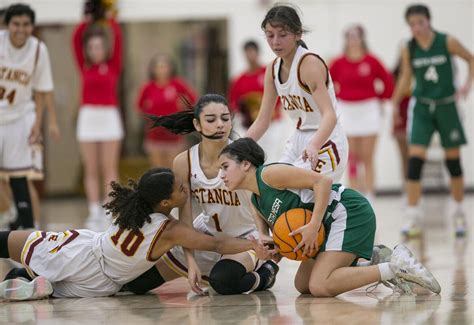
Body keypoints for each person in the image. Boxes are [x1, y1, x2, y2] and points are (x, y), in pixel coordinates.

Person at [0, 167, 270, 300]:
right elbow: (217, 242)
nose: (185, 189)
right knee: (40, 282)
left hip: (82, 248)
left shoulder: (137, 203)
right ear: (164, 203)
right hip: (98, 279)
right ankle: (28, 280)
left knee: (7, 240)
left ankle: (27, 277)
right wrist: (253, 244)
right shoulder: (170, 230)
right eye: (180, 188)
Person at [218, 138, 441, 297]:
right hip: (325, 227)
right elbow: (282, 240)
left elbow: (322, 182)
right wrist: (271, 253)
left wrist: (314, 225)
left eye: (225, 167)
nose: (221, 175)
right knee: (303, 285)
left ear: (246, 164)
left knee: (320, 286)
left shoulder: (268, 174)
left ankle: (394, 267)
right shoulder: (254, 201)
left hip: (346, 211)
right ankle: (371, 259)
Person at [123, 94, 279, 296]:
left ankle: (266, 272)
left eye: (225, 118)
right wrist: (190, 262)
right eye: (211, 120)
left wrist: (263, 239)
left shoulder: (244, 155)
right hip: (207, 236)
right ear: (197, 124)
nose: (220, 125)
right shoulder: (184, 161)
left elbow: (259, 203)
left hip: (246, 236)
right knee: (137, 284)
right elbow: (185, 220)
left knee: (222, 281)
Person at [391, 4, 473, 237]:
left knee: (453, 163)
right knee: (415, 162)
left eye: (420, 22)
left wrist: (467, 84)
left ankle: (459, 214)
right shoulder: (410, 47)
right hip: (423, 108)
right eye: (412, 24)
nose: (416, 27)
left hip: (447, 106)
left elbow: (471, 58)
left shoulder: (447, 42)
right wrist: (395, 103)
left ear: (429, 21)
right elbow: (406, 77)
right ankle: (413, 215)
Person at [246, 4, 348, 180]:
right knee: (273, 187)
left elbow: (329, 115)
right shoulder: (272, 69)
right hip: (298, 138)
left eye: (282, 35)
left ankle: (342, 206)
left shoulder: (308, 64)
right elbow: (263, 120)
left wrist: (315, 144)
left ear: (298, 34)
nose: (275, 41)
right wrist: (238, 148)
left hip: (326, 136)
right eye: (270, 35)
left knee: (299, 193)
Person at [0, 3, 57, 230]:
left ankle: (27, 232)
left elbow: (43, 89)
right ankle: (8, 212)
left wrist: (41, 122)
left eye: (25, 24)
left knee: (20, 177)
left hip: (20, 117)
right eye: (16, 24)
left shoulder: (37, 50)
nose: (20, 29)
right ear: (8, 24)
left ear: (32, 26)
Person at [72, 1, 123, 229]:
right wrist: (88, 19)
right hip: (88, 118)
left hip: (109, 118)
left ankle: (110, 208)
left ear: (106, 49)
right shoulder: (84, 67)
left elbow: (119, 38)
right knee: (90, 167)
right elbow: (76, 38)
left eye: (99, 47)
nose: (96, 51)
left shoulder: (113, 66)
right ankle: (93, 210)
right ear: (87, 50)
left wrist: (108, 16)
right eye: (91, 47)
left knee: (109, 167)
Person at [329, 25, 394, 200]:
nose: (353, 40)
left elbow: (388, 81)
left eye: (356, 36)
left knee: (368, 156)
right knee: (352, 157)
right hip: (347, 111)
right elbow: (326, 83)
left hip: (368, 111)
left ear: (362, 38)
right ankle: (356, 194)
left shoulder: (372, 61)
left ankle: (370, 193)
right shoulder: (339, 62)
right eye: (349, 36)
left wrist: (379, 97)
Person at [228, 40, 285, 162]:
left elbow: (280, 93)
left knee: (272, 156)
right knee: (251, 156)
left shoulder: (268, 72)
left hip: (272, 123)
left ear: (257, 53)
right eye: (247, 53)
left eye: (252, 52)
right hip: (250, 124)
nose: (250, 56)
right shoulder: (239, 80)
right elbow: (233, 103)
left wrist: (272, 111)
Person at [137, 53, 197, 168]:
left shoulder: (178, 84)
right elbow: (139, 107)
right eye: (158, 66)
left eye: (164, 66)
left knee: (174, 170)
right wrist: (148, 113)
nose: (162, 70)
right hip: (154, 136)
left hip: (174, 135)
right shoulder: (148, 87)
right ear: (153, 69)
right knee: (157, 170)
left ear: (171, 68)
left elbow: (193, 100)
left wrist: (183, 111)